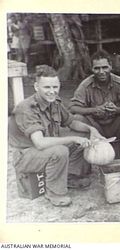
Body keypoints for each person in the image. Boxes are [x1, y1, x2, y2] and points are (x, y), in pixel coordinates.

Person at [8, 65, 104, 207]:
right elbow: (39, 143)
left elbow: (71, 122)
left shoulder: (54, 103)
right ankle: (54, 193)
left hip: (42, 151)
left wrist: (91, 129)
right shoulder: (26, 108)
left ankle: (69, 177)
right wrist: (73, 139)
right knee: (59, 150)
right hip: (25, 155)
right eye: (47, 87)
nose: (52, 92)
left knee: (83, 133)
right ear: (36, 87)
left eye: (55, 87)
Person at [69, 50, 120, 159]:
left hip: (115, 125)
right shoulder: (86, 85)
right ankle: (80, 165)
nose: (101, 71)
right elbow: (73, 108)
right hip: (96, 126)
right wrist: (94, 109)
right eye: (97, 68)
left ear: (110, 66)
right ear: (92, 69)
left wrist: (116, 109)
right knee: (77, 119)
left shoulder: (119, 82)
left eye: (104, 67)